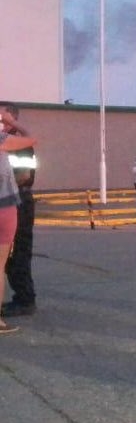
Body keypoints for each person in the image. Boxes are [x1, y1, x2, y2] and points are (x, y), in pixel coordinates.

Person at [0, 114, 38, 334]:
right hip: (9, 201)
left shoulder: (17, 144)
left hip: (18, 201)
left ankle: (25, 299)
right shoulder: (6, 139)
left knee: (18, 253)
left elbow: (24, 175)